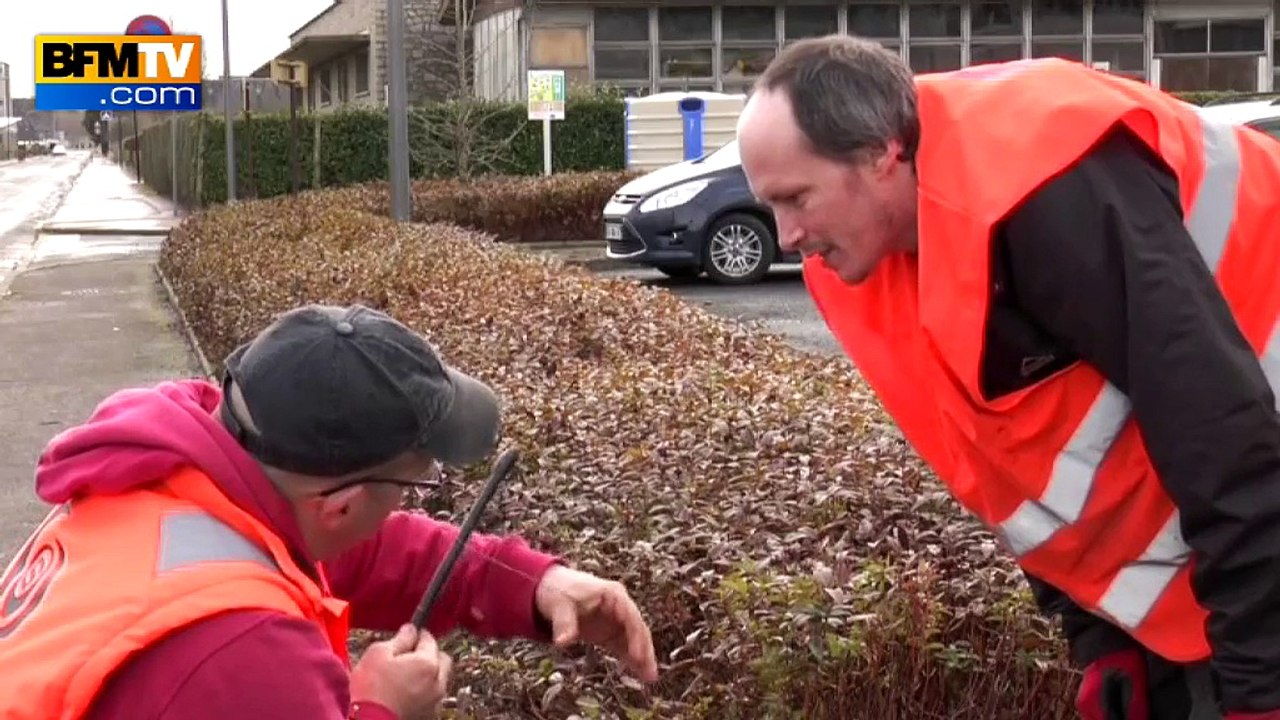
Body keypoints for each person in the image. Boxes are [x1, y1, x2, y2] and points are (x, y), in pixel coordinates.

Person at [735, 35, 1280, 720]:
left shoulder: (1042, 185)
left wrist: (1262, 688)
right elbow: (1015, 472)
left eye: (797, 198)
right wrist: (1103, 640)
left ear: (880, 154)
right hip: (1213, 594)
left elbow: (1223, 436)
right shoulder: (874, 266)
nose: (785, 236)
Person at [0, 303, 659, 719]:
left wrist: (532, 585)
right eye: (411, 485)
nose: (408, 501)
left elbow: (360, 550)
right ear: (341, 504)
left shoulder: (171, 483)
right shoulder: (243, 653)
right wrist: (377, 709)